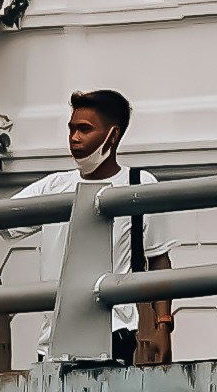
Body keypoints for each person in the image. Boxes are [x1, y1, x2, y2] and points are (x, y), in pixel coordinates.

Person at [43, 92, 162, 367]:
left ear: (112, 135)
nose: (74, 138)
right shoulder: (53, 186)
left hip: (113, 335)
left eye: (84, 129)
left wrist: (162, 326)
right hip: (52, 341)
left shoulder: (140, 184)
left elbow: (159, 259)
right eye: (71, 129)